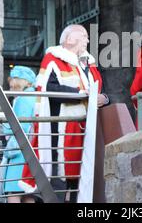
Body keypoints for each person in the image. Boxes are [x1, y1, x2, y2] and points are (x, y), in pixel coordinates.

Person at [19, 24, 109, 203]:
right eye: (83, 35)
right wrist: (82, 95)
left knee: (79, 175)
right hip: (59, 130)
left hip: (85, 129)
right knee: (60, 176)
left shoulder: (87, 63)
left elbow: (100, 89)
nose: (87, 40)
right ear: (69, 39)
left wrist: (104, 98)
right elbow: (48, 89)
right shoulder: (53, 59)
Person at [2, 66, 37, 203]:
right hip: (30, 149)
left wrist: (4, 126)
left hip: (19, 152)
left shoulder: (23, 99)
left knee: (13, 192)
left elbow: (18, 127)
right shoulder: (34, 96)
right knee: (28, 193)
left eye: (13, 81)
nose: (11, 85)